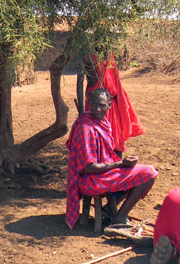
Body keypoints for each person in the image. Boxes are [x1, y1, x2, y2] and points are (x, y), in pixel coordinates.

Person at [66, 88, 157, 229]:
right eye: (94, 104)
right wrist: (120, 164)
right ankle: (119, 217)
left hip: (100, 175)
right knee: (148, 174)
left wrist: (123, 165)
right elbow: (89, 167)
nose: (97, 109)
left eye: (102, 105)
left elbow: (104, 158)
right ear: (89, 103)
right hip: (89, 181)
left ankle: (109, 209)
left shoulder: (103, 123)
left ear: (109, 106)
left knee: (139, 172)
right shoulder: (85, 128)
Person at [84, 53, 145, 154]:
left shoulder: (108, 57)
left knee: (114, 142)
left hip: (110, 108)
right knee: (97, 146)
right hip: (99, 108)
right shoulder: (91, 60)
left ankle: (115, 165)